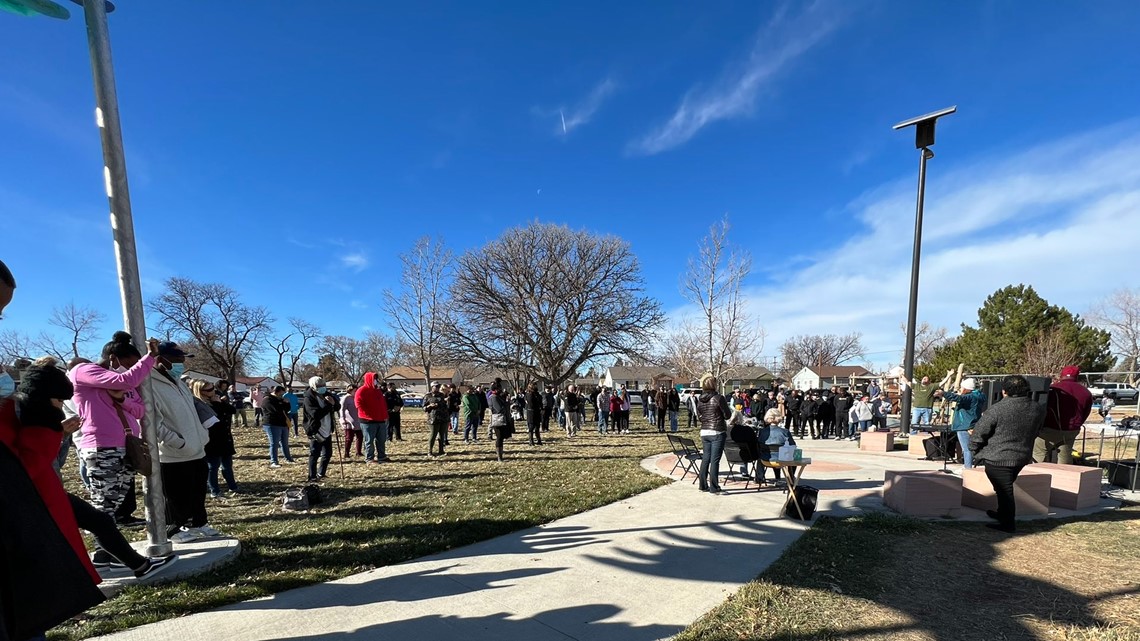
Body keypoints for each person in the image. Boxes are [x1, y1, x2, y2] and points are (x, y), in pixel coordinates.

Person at [69, 332, 158, 529]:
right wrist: (149, 358)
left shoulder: (121, 380)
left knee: (115, 503)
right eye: (129, 365)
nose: (131, 371)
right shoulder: (83, 370)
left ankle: (109, 552)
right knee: (104, 506)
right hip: (102, 448)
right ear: (113, 359)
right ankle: (104, 555)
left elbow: (139, 409)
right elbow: (126, 381)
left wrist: (121, 399)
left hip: (126, 446)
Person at [150, 342, 222, 543]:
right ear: (160, 359)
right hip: (172, 454)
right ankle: (173, 529)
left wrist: (201, 435)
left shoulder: (179, 382)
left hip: (196, 448)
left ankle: (199, 523)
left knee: (197, 491)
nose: (182, 363)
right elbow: (152, 423)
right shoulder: (150, 385)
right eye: (177, 359)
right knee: (175, 496)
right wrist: (177, 442)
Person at [969, 375, 1046, 533]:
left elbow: (979, 433)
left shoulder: (997, 409)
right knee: (1003, 488)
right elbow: (1037, 430)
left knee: (1005, 491)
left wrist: (975, 450)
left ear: (1004, 391)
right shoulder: (1037, 408)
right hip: (1021, 456)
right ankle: (1002, 514)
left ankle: (1008, 524)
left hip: (998, 457)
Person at [1034, 366, 1093, 464]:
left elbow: (1041, 407)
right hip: (1071, 430)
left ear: (1061, 375)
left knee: (1039, 454)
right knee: (1065, 457)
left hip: (1049, 429)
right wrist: (1076, 425)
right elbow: (1085, 413)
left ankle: (1038, 476)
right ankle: (1064, 477)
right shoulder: (1086, 392)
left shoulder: (1053, 389)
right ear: (1077, 376)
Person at [191, 379, 239, 498]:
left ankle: (233, 486)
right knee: (213, 466)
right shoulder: (200, 404)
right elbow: (214, 421)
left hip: (225, 438)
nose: (213, 391)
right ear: (201, 391)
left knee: (227, 465)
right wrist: (217, 404)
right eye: (209, 389)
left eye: (213, 387)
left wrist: (221, 403)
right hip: (212, 440)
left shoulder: (217, 400)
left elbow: (232, 410)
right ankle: (214, 490)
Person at [935, 377, 987, 470]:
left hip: (964, 425)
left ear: (967, 388)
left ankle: (968, 468)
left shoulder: (970, 397)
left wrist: (943, 393)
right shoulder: (979, 396)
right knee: (971, 448)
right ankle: (969, 466)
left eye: (962, 387)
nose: (961, 389)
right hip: (973, 424)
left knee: (967, 449)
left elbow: (957, 398)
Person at [695, 374, 730, 494]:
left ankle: (703, 485)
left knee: (706, 459)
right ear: (714, 385)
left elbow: (700, 415)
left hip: (704, 431)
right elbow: (727, 415)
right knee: (715, 460)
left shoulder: (700, 399)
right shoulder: (719, 398)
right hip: (717, 431)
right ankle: (714, 487)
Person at [303, 377, 340, 481]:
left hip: (327, 429)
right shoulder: (308, 398)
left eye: (323, 386)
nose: (322, 388)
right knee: (314, 454)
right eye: (319, 386)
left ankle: (321, 473)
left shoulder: (327, 394)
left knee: (328, 454)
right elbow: (315, 414)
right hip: (316, 430)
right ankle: (312, 476)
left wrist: (334, 403)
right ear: (313, 386)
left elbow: (337, 406)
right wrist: (328, 404)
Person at [355, 373, 390, 463]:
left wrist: (385, 416)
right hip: (367, 421)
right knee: (369, 440)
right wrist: (367, 414)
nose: (376, 381)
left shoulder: (378, 391)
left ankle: (382, 456)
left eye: (376, 379)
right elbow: (358, 404)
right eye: (374, 379)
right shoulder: (361, 390)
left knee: (381, 440)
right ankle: (369, 458)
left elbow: (383, 405)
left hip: (380, 420)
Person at [756, 408, 796, 485]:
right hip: (782, 460)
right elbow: (793, 446)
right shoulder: (785, 432)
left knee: (767, 453)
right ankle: (791, 478)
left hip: (765, 459)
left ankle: (760, 477)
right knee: (792, 454)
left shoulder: (762, 431)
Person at [260, 385, 295, 467]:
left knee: (284, 442)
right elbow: (276, 410)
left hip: (283, 423)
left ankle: (288, 458)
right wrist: (283, 403)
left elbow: (287, 409)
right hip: (272, 424)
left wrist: (287, 403)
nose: (282, 395)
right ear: (277, 392)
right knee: (274, 443)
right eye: (281, 393)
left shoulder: (280, 400)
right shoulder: (267, 400)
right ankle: (274, 461)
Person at [487, 378, 512, 462]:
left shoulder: (499, 396)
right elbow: (499, 409)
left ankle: (501, 455)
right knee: (499, 438)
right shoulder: (493, 397)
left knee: (501, 438)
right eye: (499, 388)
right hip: (497, 419)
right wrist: (506, 404)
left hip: (502, 418)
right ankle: (499, 457)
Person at [423, 383, 449, 456]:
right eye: (436, 386)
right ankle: (430, 451)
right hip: (433, 419)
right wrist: (430, 406)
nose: (437, 388)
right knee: (433, 435)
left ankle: (441, 451)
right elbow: (424, 408)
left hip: (443, 418)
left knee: (442, 435)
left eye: (438, 387)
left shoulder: (441, 395)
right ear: (432, 387)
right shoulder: (428, 396)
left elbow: (444, 405)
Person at [340, 385, 364, 458]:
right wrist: (343, 419)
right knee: (349, 438)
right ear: (350, 390)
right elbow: (342, 410)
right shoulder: (345, 398)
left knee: (360, 437)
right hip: (349, 421)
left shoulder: (357, 398)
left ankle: (358, 452)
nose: (356, 392)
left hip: (358, 420)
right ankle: (346, 453)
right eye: (354, 391)